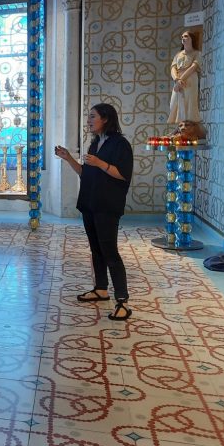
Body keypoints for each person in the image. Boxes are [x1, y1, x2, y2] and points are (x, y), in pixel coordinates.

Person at [54, 103, 134, 321]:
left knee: (110, 252)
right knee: (96, 250)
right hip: (90, 204)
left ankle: (122, 302)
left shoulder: (120, 144)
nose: (89, 120)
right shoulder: (95, 143)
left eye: (92, 117)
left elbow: (123, 175)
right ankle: (101, 289)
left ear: (106, 119)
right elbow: (85, 173)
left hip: (107, 206)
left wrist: (100, 163)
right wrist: (68, 157)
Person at [169, 31, 201, 124]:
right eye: (182, 37)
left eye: (186, 36)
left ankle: (188, 128)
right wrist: (176, 79)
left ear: (192, 39)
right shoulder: (178, 54)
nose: (183, 38)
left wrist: (180, 80)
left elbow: (193, 67)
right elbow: (173, 68)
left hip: (189, 80)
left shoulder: (197, 53)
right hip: (178, 81)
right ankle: (180, 127)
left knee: (189, 105)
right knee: (174, 105)